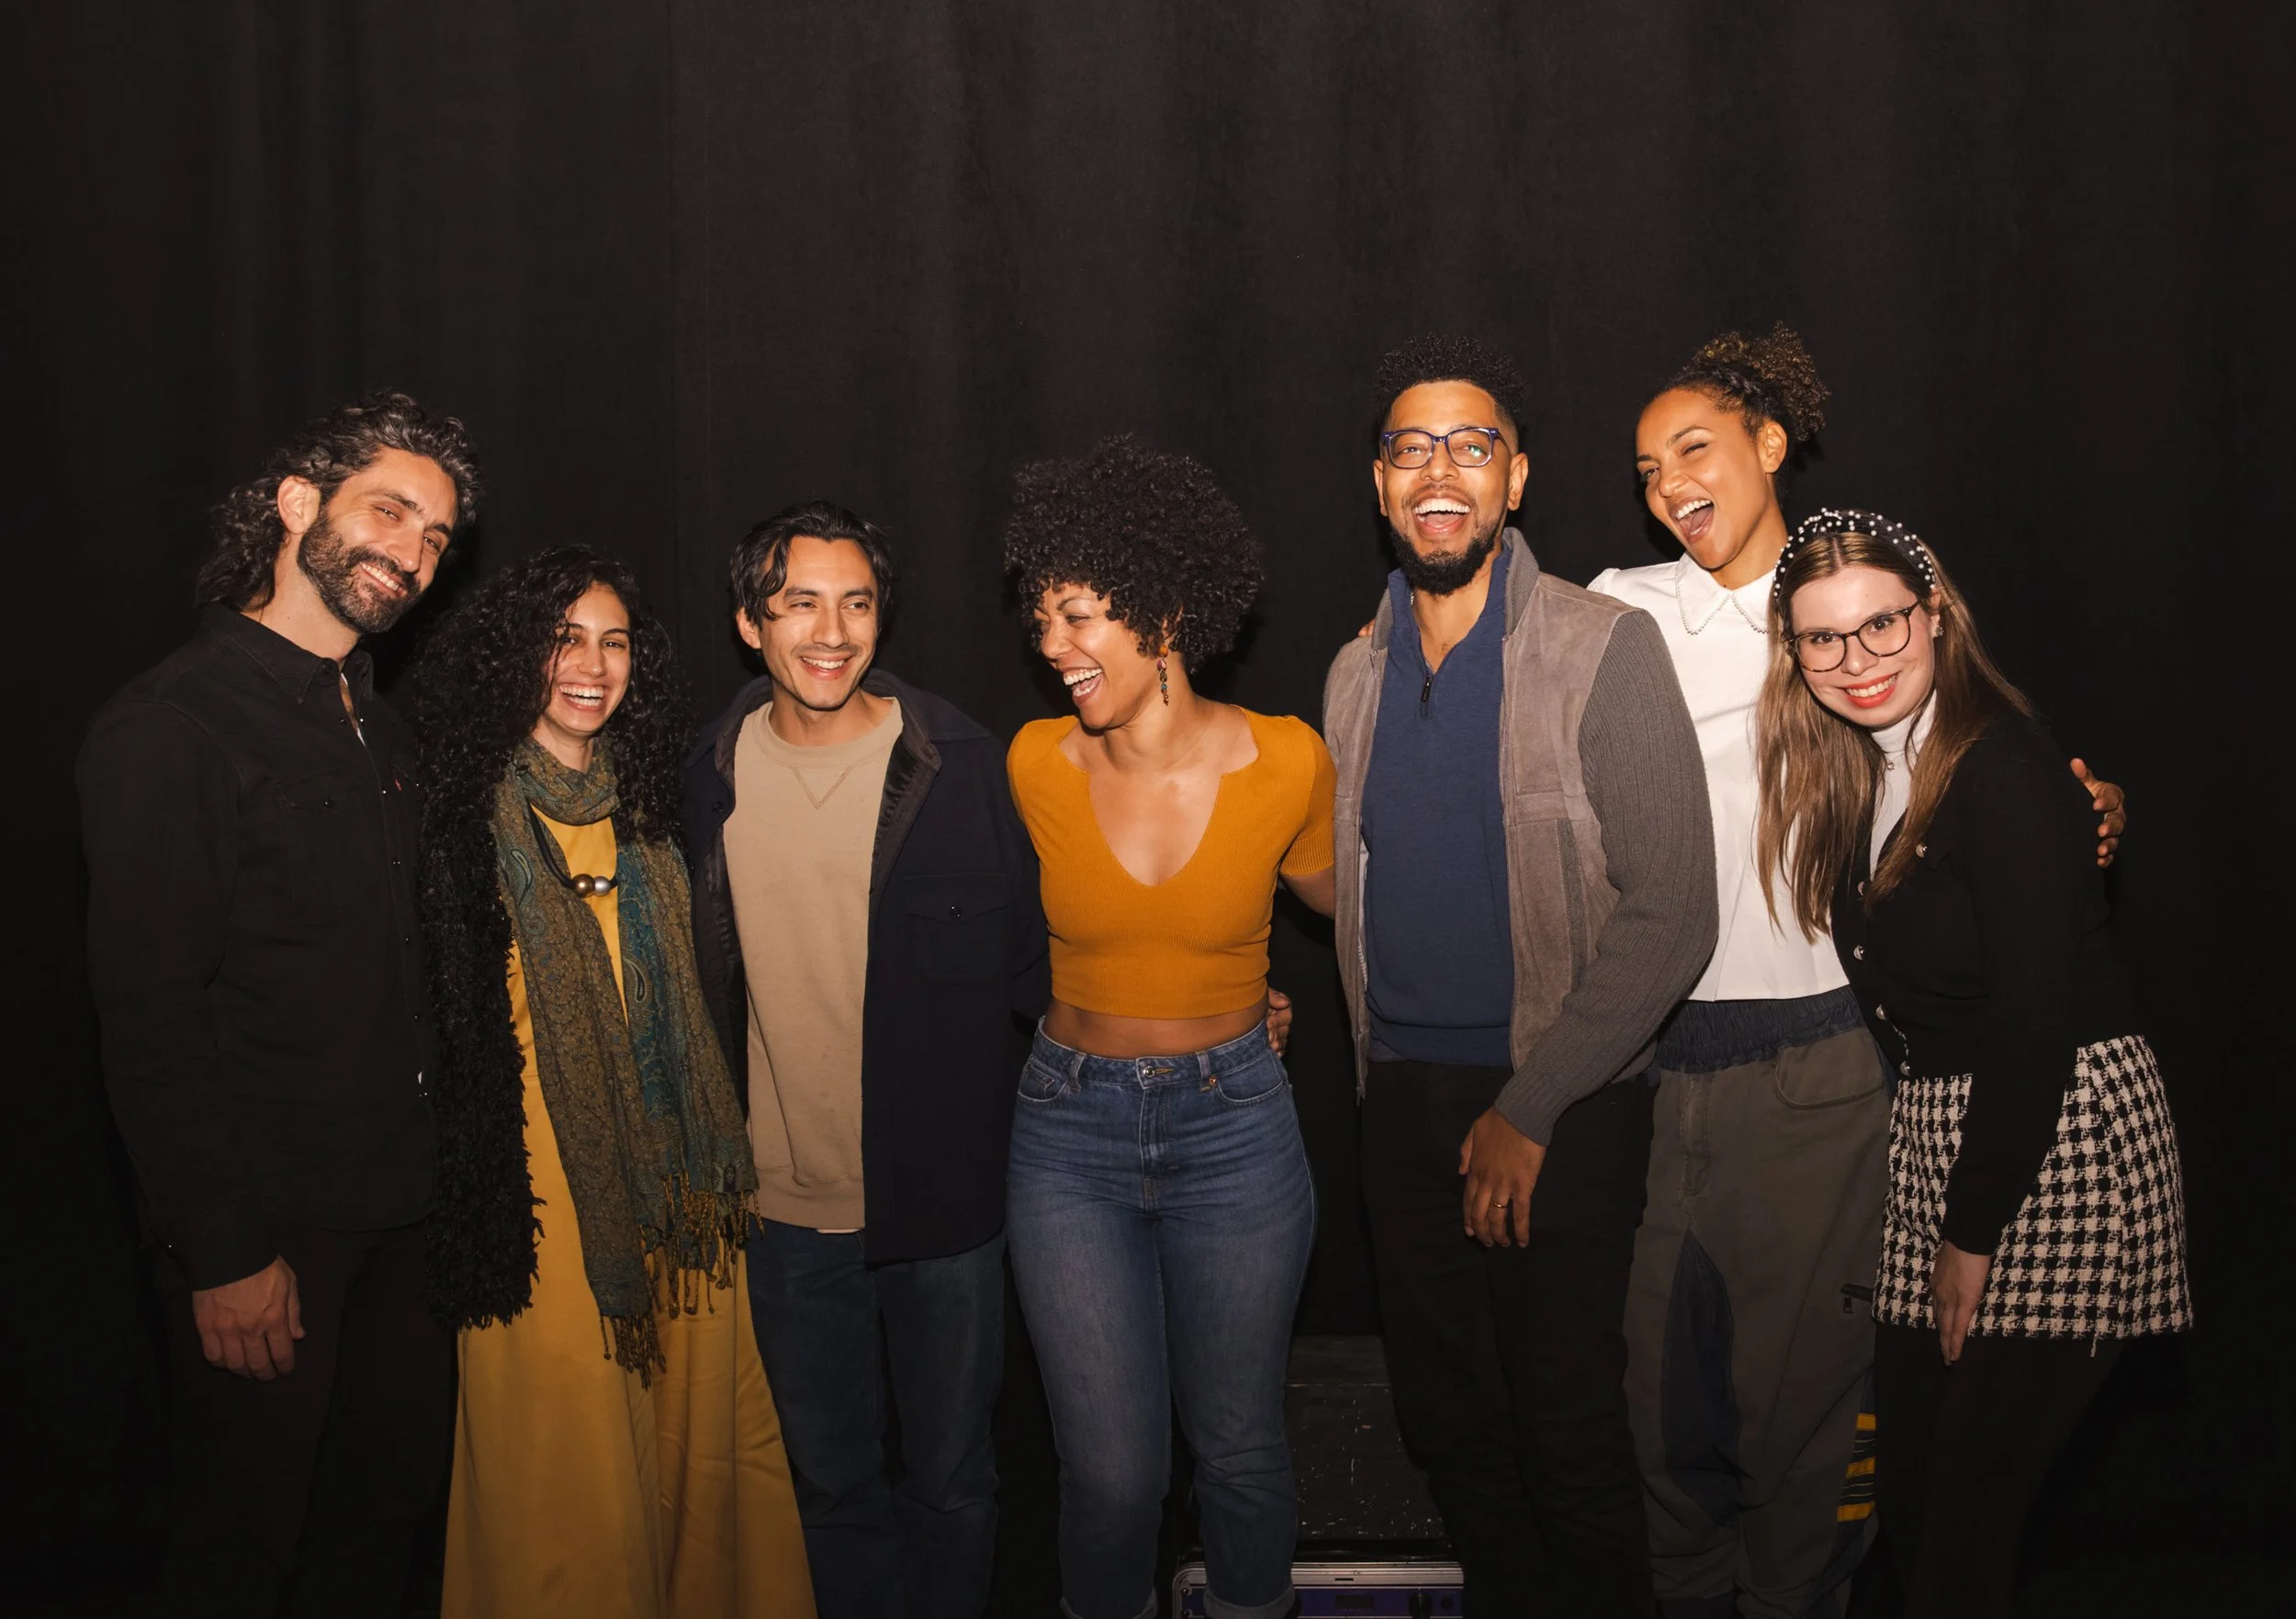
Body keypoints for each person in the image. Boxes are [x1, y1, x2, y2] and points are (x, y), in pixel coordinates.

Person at [1607, 329, 2129, 1618]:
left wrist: (2074, 812)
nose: (1670, 482)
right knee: (1672, 1406)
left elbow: (1986, 784)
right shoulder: (1619, 609)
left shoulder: (1854, 599)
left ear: (1770, 442)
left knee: (1832, 1433)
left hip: (1839, 1054)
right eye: (1646, 467)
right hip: (1674, 1056)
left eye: (1694, 448)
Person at [1324, 335, 1717, 1617]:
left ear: (1517, 477)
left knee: (1566, 1427)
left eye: (1471, 445)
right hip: (1399, 1100)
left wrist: (1531, 1104)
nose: (1439, 470)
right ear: (1380, 483)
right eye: (1411, 448)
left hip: (1562, 1092)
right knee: (1450, 1425)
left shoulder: (1604, 645)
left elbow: (1675, 909)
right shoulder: (1352, 670)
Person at [77, 393, 478, 1616]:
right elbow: (150, 1013)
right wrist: (225, 1248)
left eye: (436, 536)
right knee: (240, 1550)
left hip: (404, 1221)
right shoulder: (174, 724)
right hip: (270, 1235)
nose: (412, 553)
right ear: (299, 504)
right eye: (389, 512)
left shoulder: (382, 727)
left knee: (380, 1527)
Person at [1755, 510, 2189, 1619]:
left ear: (1935, 613)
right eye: (1822, 638)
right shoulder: (1866, 770)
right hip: (1945, 1141)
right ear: (1792, 652)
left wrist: (1972, 1230)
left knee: (1961, 1525)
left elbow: (2034, 1021)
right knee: (1914, 1502)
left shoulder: (2002, 768)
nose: (1855, 659)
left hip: (2055, 1141)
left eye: (1882, 624)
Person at [416, 547, 812, 1617]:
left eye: (614, 641)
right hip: (541, 1200)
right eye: (564, 639)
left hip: (678, 1193)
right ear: (516, 655)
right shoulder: (456, 821)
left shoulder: (654, 807)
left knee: (699, 1446)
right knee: (564, 1463)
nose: (591, 666)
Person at [682, 502, 1048, 1619]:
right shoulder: (703, 776)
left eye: (856, 602)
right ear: (749, 622)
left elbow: (1046, 971)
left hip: (944, 1210)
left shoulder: (961, 764)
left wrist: (1223, 1003)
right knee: (829, 1489)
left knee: (952, 1483)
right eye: (798, 603)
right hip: (783, 1213)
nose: (831, 631)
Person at [1001, 435, 1335, 1619]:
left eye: (1079, 615)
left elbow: (1359, 912)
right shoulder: (1032, 762)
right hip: (1066, 1133)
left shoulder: (1289, 758)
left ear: (1167, 614)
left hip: (1234, 1126)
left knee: (1238, 1451)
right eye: (1041, 619)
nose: (1053, 645)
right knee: (1110, 1474)